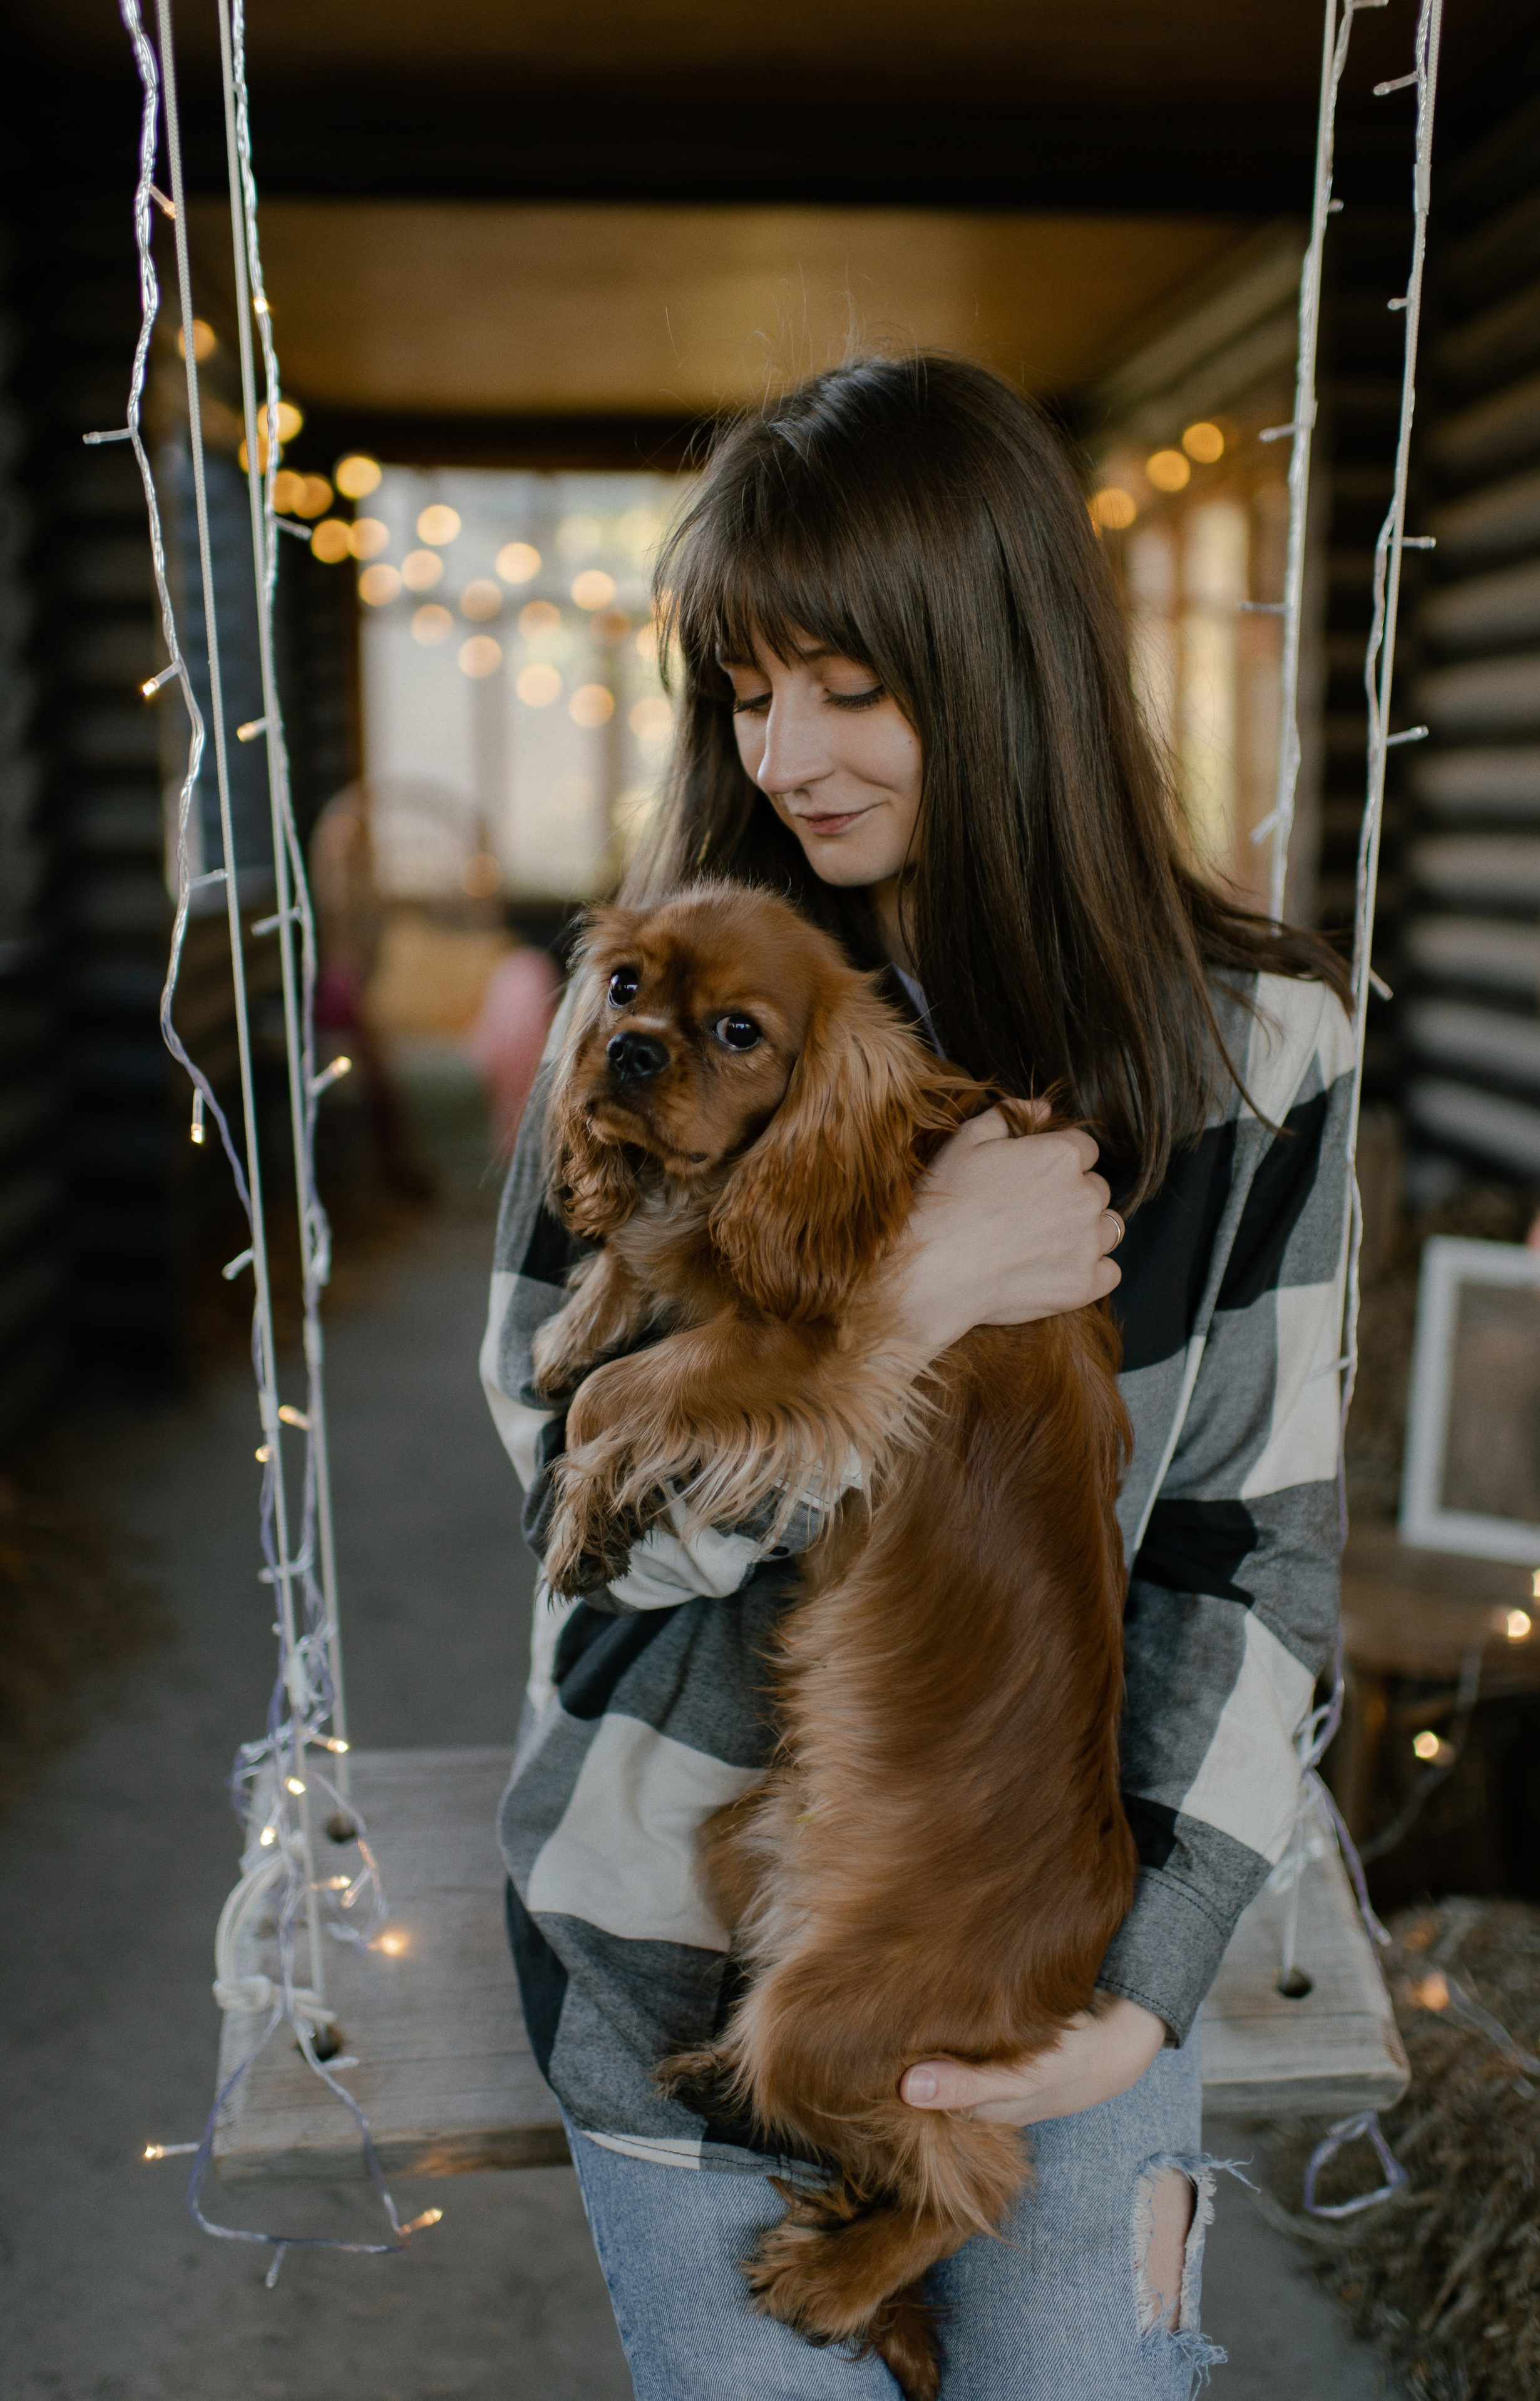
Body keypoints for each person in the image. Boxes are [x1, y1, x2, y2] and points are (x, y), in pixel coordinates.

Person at [481, 354, 1353, 2400]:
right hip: (662, 1908)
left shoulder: (1260, 1054)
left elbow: (1251, 1548)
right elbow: (574, 1529)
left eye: (850, 686)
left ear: (1002, 657)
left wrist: (1144, 1990)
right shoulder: (652, 996)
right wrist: (912, 1299)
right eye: (745, 693)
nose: (786, 754)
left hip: (1040, 1917)